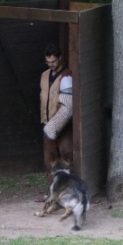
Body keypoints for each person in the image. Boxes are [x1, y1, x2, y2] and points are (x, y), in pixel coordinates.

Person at [37, 43, 74, 201]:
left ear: (59, 58)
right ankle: (51, 192)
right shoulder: (44, 75)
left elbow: (68, 105)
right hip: (47, 121)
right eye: (48, 62)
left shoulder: (66, 76)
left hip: (63, 124)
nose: (51, 64)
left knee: (67, 157)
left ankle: (69, 191)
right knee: (49, 160)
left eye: (53, 61)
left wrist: (55, 125)